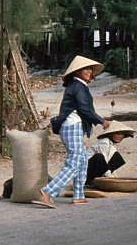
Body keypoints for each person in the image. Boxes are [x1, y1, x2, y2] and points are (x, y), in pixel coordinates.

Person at [34, 55, 110, 208]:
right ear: (77, 72)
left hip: (72, 126)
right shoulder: (78, 87)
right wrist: (102, 121)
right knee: (74, 162)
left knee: (82, 160)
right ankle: (48, 192)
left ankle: (78, 195)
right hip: (72, 126)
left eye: (90, 69)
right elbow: (84, 109)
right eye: (85, 69)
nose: (89, 72)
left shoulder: (78, 86)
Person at [86, 121, 136, 186]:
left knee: (117, 157)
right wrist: (110, 177)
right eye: (117, 133)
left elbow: (109, 161)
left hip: (98, 168)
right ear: (111, 134)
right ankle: (91, 181)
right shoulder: (104, 142)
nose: (120, 136)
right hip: (87, 171)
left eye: (121, 134)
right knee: (99, 157)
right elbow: (103, 161)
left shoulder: (112, 145)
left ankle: (102, 179)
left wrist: (115, 177)